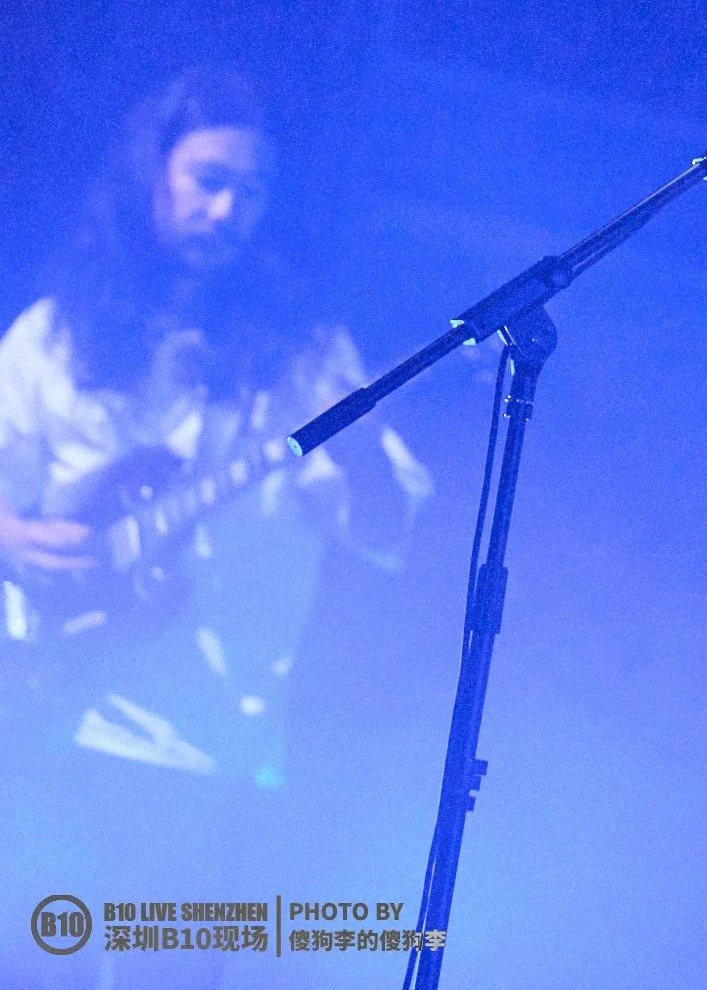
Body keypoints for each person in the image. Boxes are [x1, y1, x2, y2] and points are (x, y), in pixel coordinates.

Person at [0, 68, 431, 987]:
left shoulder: (301, 352)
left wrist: (357, 443)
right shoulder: (56, 332)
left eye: (253, 191)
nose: (230, 209)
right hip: (48, 714)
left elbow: (383, 526)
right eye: (209, 180)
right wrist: (13, 536)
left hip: (205, 748)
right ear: (150, 174)